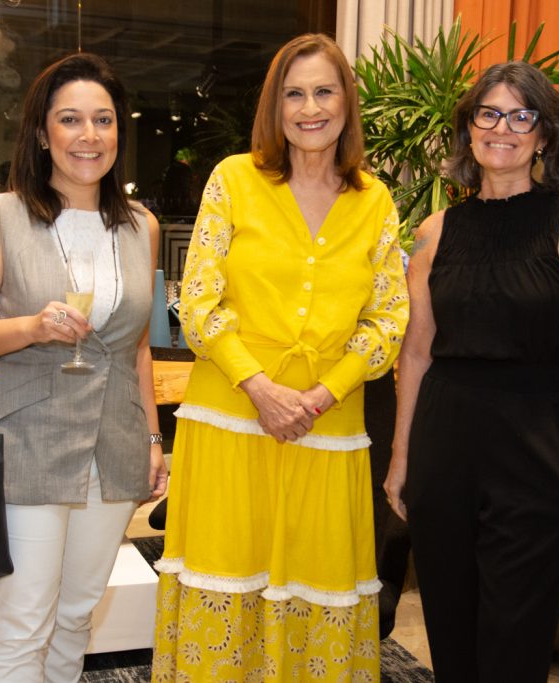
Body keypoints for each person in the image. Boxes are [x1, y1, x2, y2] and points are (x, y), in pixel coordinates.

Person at [151, 33, 409, 682]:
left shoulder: (374, 200)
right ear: (275, 106)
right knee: (228, 579)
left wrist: (323, 394)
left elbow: (387, 321)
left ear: (347, 103)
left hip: (329, 427)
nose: (310, 108)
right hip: (231, 419)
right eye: (294, 94)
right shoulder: (234, 180)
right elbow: (198, 301)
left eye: (324, 91)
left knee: (315, 587)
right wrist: (260, 387)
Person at [384, 61, 559, 681]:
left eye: (521, 116)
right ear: (468, 128)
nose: (502, 128)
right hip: (445, 443)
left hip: (535, 443)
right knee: (450, 622)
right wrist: (403, 457)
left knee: (517, 633)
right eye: (488, 114)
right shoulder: (435, 232)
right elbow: (416, 352)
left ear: (544, 135)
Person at [0, 52, 168, 682]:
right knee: (22, 621)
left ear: (119, 132)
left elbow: (137, 348)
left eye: (103, 119)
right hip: (30, 442)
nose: (88, 135)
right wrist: (32, 327)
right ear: (43, 133)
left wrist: (153, 439)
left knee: (76, 614)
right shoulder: (3, 216)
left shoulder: (142, 226)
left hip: (115, 444)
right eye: (70, 119)